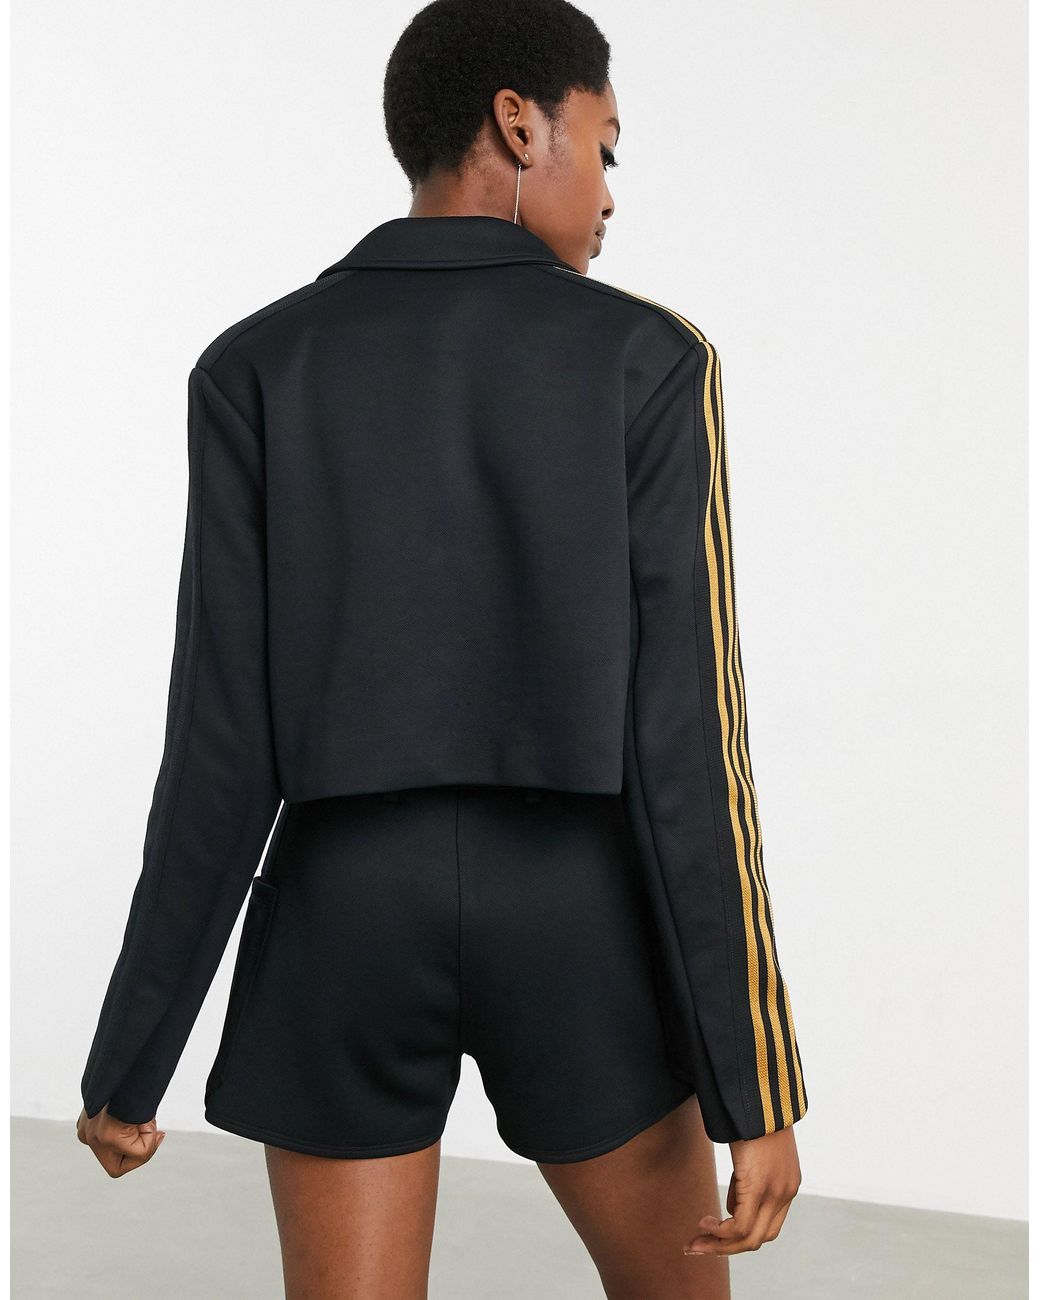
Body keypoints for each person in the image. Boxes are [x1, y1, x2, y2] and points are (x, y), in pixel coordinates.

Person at [76, 0, 808, 1295]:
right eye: (605, 147)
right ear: (519, 125)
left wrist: (131, 1060)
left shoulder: (255, 366)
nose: (611, 192)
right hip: (577, 920)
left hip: (342, 916)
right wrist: (758, 1086)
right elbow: (690, 752)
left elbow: (219, 747)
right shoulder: (648, 361)